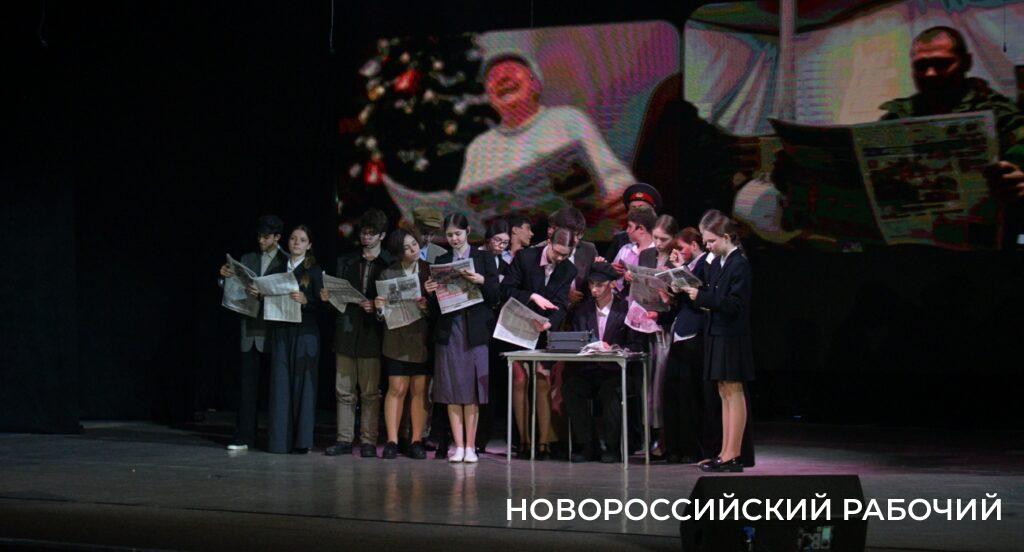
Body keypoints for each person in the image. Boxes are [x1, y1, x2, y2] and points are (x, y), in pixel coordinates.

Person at [880, 26, 1024, 246]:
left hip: (982, 240)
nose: (930, 73)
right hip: (914, 241)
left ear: (966, 62)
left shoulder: (1000, 114)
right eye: (921, 66)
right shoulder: (897, 116)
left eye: (942, 64)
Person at [456, 51, 635, 218]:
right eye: (492, 77)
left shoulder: (567, 119)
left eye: (512, 70)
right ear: (489, 96)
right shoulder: (479, 147)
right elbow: (462, 210)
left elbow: (615, 180)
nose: (502, 78)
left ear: (536, 84)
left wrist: (627, 199)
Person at [680, 210, 755, 472]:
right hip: (717, 333)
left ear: (726, 237)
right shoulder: (720, 263)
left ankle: (734, 454)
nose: (708, 246)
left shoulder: (738, 264)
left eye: (711, 241)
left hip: (732, 336)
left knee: (733, 390)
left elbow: (734, 305)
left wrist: (700, 297)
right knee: (724, 391)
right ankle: (724, 452)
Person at [424, 213, 501, 463]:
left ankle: (470, 446)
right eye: (449, 235)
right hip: (450, 329)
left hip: (474, 330)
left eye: (457, 234)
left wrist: (481, 280)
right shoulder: (441, 260)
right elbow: (435, 309)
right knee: (451, 389)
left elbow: (495, 296)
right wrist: (431, 291)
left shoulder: (483, 257)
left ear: (467, 232)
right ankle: (458, 445)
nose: (454, 239)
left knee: (473, 390)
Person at [501, 227, 578, 460]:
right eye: (557, 252)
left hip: (542, 330)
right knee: (520, 379)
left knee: (543, 379)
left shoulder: (568, 269)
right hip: (517, 324)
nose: (560, 258)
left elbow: (561, 304)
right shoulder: (526, 258)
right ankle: (524, 441)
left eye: (565, 254)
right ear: (548, 242)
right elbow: (506, 289)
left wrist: (548, 323)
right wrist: (532, 296)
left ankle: (543, 443)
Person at [321, 209, 391, 458]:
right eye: (363, 233)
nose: (366, 237)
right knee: (344, 390)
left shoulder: (388, 263)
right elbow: (335, 300)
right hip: (347, 332)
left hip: (373, 334)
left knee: (370, 392)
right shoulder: (346, 261)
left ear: (382, 235)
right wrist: (328, 298)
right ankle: (344, 439)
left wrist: (377, 306)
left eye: (371, 234)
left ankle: (368, 440)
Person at [218, 215, 289, 451]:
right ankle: (244, 436)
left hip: (273, 331)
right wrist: (224, 278)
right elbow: (233, 288)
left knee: (275, 389)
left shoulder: (285, 261)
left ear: (277, 237)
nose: (261, 241)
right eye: (259, 236)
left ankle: (275, 438)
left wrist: (264, 295)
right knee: (247, 387)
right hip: (250, 329)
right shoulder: (248, 258)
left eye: (266, 237)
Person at [563, 262, 646, 463]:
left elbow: (635, 343)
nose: (594, 289)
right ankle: (587, 444)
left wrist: (615, 348)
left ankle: (612, 446)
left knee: (610, 391)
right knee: (571, 388)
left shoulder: (625, 309)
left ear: (611, 284)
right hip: (589, 369)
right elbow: (576, 339)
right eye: (591, 284)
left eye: (599, 285)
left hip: (616, 371)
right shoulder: (582, 311)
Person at [266, 225, 324, 454]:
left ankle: (302, 442)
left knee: (304, 387)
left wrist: (307, 301)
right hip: (282, 331)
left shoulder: (315, 271)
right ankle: (279, 441)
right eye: (293, 238)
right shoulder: (278, 268)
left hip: (305, 333)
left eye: (302, 239)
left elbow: (323, 306)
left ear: (309, 245)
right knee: (280, 385)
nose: (296, 242)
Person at [376, 228, 433, 460]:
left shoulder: (429, 270)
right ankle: (392, 440)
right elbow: (382, 312)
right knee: (397, 388)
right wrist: (380, 308)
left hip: (422, 338)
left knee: (419, 390)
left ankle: (416, 440)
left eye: (414, 245)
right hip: (397, 337)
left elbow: (440, 308)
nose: (412, 250)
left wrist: (427, 306)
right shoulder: (388, 273)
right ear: (398, 252)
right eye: (406, 248)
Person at [658, 227, 713, 463]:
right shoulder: (691, 265)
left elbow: (701, 295)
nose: (678, 252)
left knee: (689, 394)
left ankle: (691, 448)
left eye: (681, 248)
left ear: (694, 244)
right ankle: (674, 447)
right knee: (673, 392)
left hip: (695, 334)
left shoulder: (706, 264)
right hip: (681, 332)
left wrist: (681, 270)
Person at [645, 214, 681, 458]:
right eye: (655, 237)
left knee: (662, 384)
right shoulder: (647, 255)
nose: (658, 243)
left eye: (663, 239)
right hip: (645, 326)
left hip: (666, 329)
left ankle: (665, 437)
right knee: (647, 385)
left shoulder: (676, 259)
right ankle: (648, 435)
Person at [476, 218, 513, 453]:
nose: (500, 246)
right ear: (488, 239)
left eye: (505, 243)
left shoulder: (506, 264)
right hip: (477, 322)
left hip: (497, 327)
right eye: (497, 241)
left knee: (493, 383)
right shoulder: (476, 257)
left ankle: (484, 437)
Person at [604, 183, 662, 260]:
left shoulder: (663, 237)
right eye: (633, 208)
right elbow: (608, 263)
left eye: (641, 208)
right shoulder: (620, 239)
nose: (637, 211)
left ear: (652, 210)